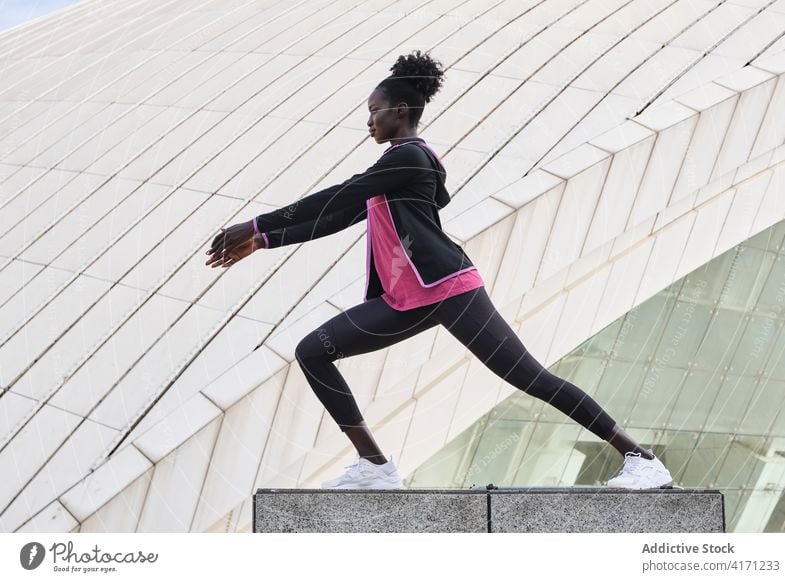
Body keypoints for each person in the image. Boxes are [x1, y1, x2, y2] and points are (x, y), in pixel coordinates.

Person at [204, 50, 673, 491]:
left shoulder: (409, 157)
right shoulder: (392, 166)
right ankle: (374, 465)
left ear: (401, 110)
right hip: (407, 299)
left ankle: (641, 459)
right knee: (313, 352)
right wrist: (262, 240)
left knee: (530, 377)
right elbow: (340, 216)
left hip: (450, 290)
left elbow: (340, 195)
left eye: (375, 110)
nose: (369, 121)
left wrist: (256, 220)